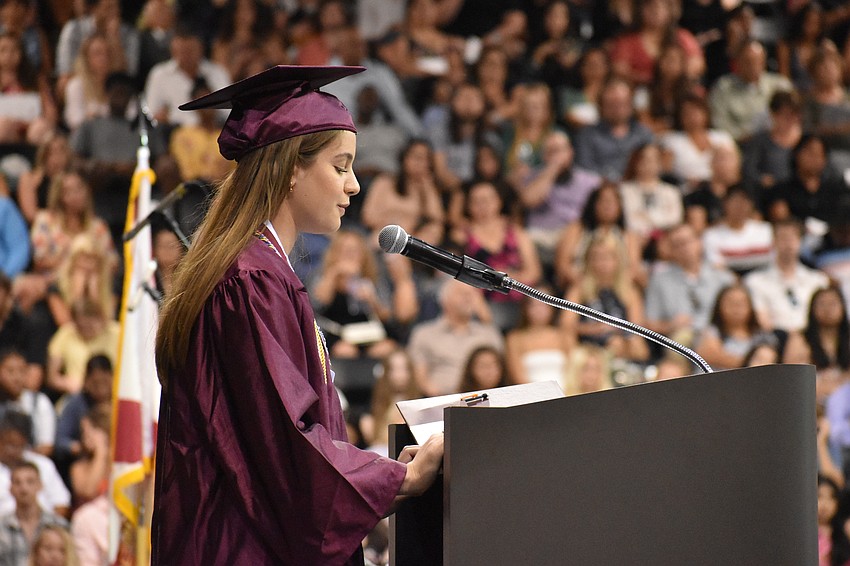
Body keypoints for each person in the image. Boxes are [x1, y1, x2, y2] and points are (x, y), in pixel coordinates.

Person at [152, 65, 444, 565]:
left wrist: (380, 477)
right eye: (341, 166)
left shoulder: (257, 269)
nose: (354, 186)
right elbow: (287, 447)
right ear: (291, 167)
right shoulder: (251, 281)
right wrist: (401, 477)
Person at [407, 277, 503, 397]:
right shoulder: (424, 334)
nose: (469, 298)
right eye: (462, 294)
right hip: (440, 400)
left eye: (472, 294)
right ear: (444, 300)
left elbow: (500, 373)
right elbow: (419, 377)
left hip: (483, 400)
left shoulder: (488, 333)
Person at [744, 218, 830, 333]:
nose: (788, 243)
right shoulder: (755, 281)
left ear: (800, 241)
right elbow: (763, 319)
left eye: (792, 238)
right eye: (783, 238)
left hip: (812, 337)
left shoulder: (818, 280)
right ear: (773, 242)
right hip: (776, 337)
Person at [0, 463, 68, 566]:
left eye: (30, 482)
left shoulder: (59, 525)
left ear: (40, 485)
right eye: (17, 483)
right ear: (10, 488)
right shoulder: (1, 527)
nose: (24, 488)